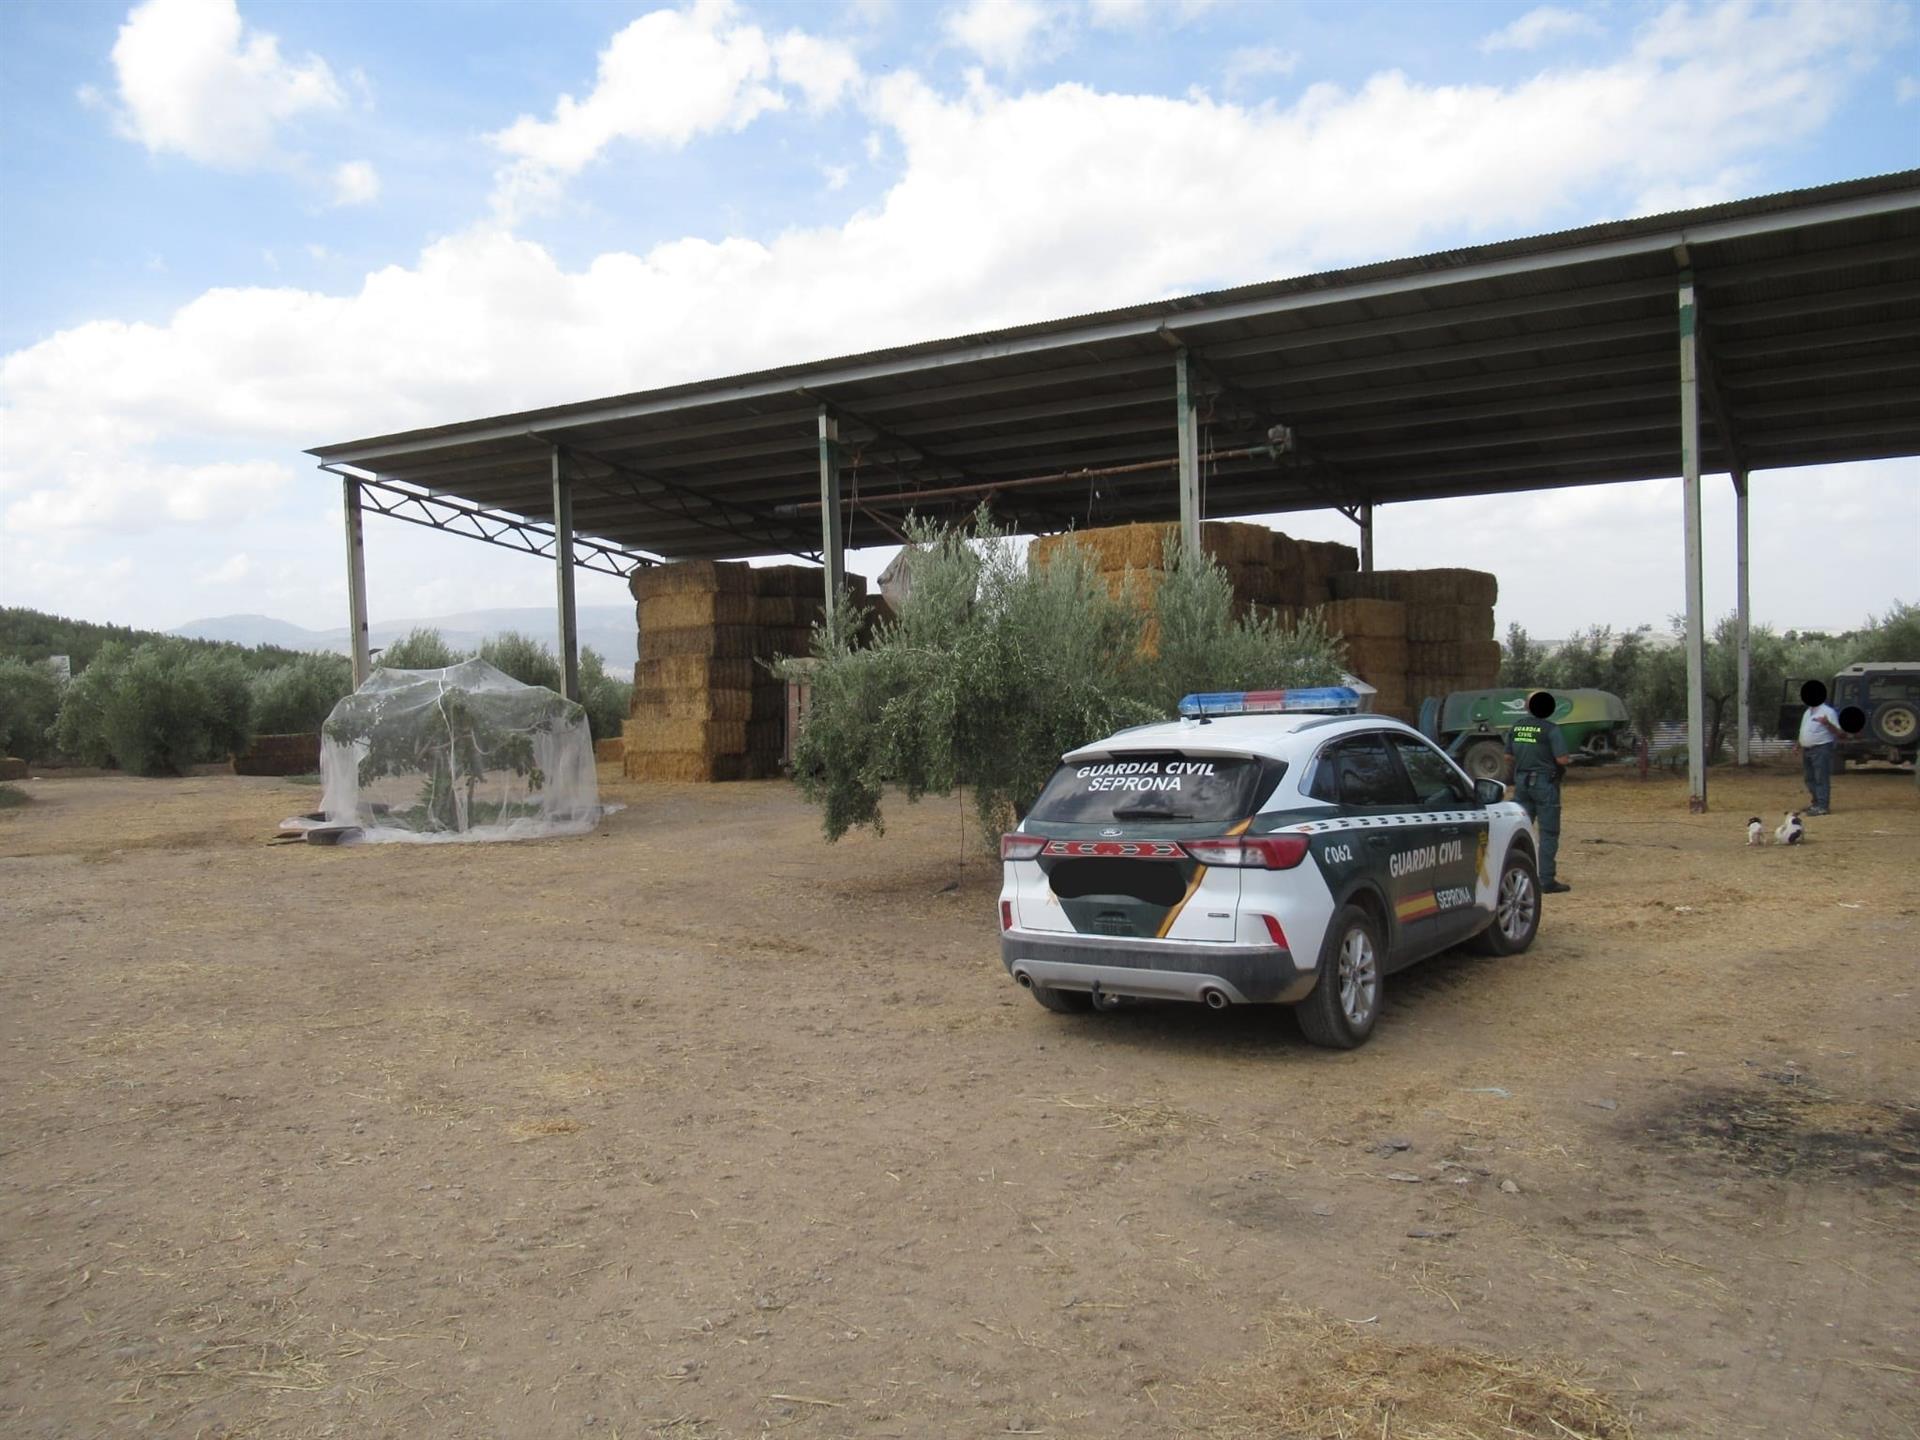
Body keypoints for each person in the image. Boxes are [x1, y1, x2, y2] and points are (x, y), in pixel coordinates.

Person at [1506, 690, 1572, 894]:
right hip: (1544, 784)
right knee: (1549, 833)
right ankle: (1546, 880)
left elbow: (1508, 756)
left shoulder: (1516, 727)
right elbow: (1562, 759)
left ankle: (1513, 874)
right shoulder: (1551, 729)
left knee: (1518, 829)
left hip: (1521, 783)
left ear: (1527, 707)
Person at [1796, 679, 1844, 816]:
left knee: (1821, 778)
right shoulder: (1807, 712)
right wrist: (1798, 744)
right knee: (1809, 778)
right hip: (1808, 749)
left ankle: (1823, 806)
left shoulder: (1828, 712)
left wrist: (1827, 724)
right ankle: (1816, 803)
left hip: (1821, 748)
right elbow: (1803, 730)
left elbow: (1840, 733)